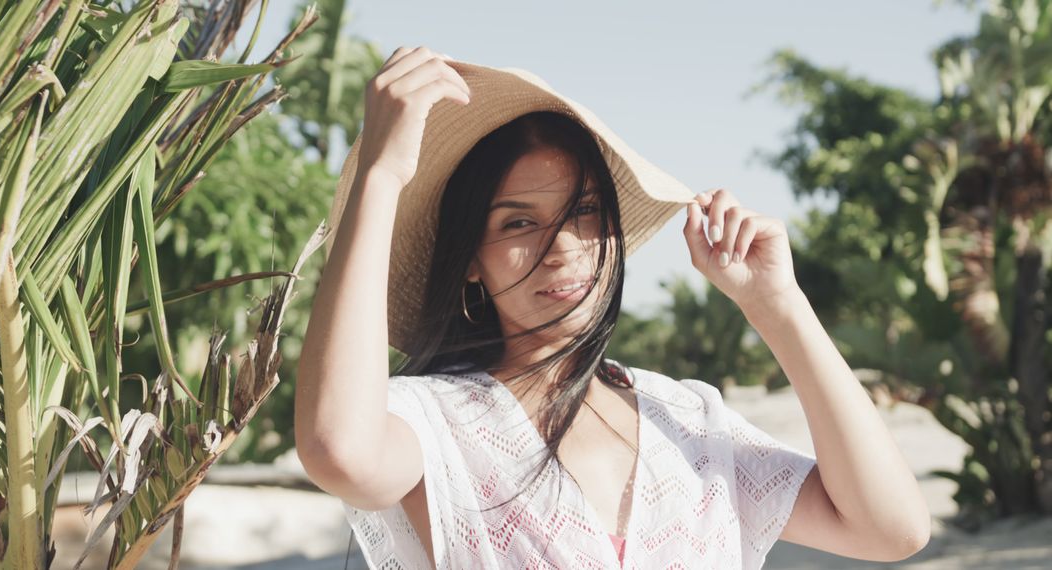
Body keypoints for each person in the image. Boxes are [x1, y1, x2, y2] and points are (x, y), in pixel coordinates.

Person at [294, 46, 931, 569]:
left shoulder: (688, 420)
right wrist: (381, 174)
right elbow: (338, 449)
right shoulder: (436, 423)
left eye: (586, 212)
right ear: (470, 260)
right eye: (519, 223)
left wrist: (779, 307)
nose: (562, 250)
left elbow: (891, 529)